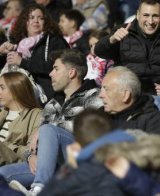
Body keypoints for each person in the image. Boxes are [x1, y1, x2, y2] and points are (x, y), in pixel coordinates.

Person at [0, 49, 102, 195]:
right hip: (49, 166)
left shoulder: (94, 96)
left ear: (72, 72)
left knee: (48, 129)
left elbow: (88, 133)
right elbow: (32, 143)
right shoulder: (52, 103)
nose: (50, 74)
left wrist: (46, 130)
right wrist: (30, 156)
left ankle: (39, 188)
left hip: (78, 161)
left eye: (55, 69)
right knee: (2, 174)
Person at [94, 0, 160, 98]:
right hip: (125, 95)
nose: (150, 21)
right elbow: (99, 51)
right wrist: (111, 39)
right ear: (137, 14)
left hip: (157, 97)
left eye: (155, 16)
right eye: (146, 15)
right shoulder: (123, 31)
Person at [40, 109, 133, 195]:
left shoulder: (84, 172)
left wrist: (70, 165)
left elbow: (48, 193)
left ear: (77, 140)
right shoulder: (130, 158)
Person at [0, 4, 69, 101]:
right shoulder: (16, 42)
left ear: (46, 22)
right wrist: (1, 53)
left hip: (45, 95)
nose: (35, 21)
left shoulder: (54, 40)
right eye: (31, 17)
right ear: (25, 21)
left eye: (40, 18)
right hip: (14, 90)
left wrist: (22, 62)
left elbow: (57, 67)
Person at [98, 66, 160, 134]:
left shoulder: (152, 121)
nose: (100, 95)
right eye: (101, 89)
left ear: (125, 95)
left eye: (106, 89)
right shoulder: (99, 116)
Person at [0, 72, 42, 166]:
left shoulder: (36, 115)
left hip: (12, 162)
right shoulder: (2, 112)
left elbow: (32, 150)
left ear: (16, 89)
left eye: (2, 88)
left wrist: (7, 145)